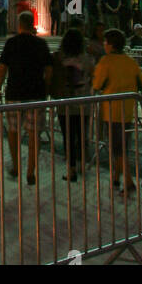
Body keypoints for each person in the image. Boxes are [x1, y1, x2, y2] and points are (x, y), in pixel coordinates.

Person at [0, 10, 52, 184]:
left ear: (19, 25)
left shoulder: (11, 43)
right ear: (33, 24)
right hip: (36, 93)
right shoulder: (41, 44)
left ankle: (15, 165)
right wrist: (46, 88)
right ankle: (30, 171)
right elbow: (49, 69)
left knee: (13, 131)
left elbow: (2, 69)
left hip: (14, 93)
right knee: (34, 134)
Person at [91, 29, 142, 191]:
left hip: (111, 110)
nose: (104, 45)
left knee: (117, 148)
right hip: (128, 109)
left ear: (110, 44)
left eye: (106, 42)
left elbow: (97, 84)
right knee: (122, 145)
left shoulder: (106, 62)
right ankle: (116, 177)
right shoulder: (131, 62)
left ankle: (129, 181)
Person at [49, 27, 93, 181]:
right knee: (81, 135)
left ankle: (72, 168)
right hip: (83, 102)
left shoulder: (59, 59)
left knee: (68, 136)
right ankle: (82, 163)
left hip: (65, 103)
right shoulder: (87, 59)